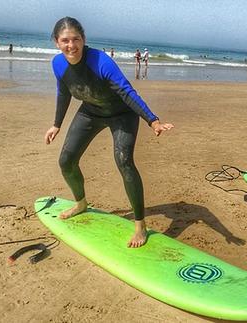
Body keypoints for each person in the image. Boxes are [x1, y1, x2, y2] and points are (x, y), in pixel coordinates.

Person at [44, 17, 174, 248]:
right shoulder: (58, 64)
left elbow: (126, 92)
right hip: (90, 112)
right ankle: (81, 203)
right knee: (66, 160)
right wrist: (56, 124)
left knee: (124, 161)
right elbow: (63, 92)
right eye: (65, 40)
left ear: (83, 40)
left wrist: (152, 121)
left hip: (122, 114)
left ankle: (140, 224)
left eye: (76, 39)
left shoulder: (100, 61)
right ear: (56, 42)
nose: (71, 45)